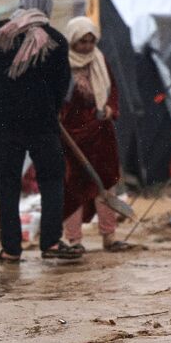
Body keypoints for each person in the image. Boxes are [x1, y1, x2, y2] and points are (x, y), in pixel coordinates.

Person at [0, 0, 81, 262]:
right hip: (43, 125)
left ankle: (11, 249)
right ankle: (51, 243)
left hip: (4, 125)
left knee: (8, 186)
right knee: (51, 182)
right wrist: (47, 107)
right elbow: (62, 87)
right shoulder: (55, 40)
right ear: (46, 8)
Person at [60, 17, 129, 252]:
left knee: (106, 183)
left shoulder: (99, 60)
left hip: (101, 133)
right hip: (73, 136)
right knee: (73, 187)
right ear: (72, 41)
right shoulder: (62, 64)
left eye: (91, 41)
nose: (87, 47)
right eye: (82, 42)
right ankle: (74, 240)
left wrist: (110, 107)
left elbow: (113, 90)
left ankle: (109, 236)